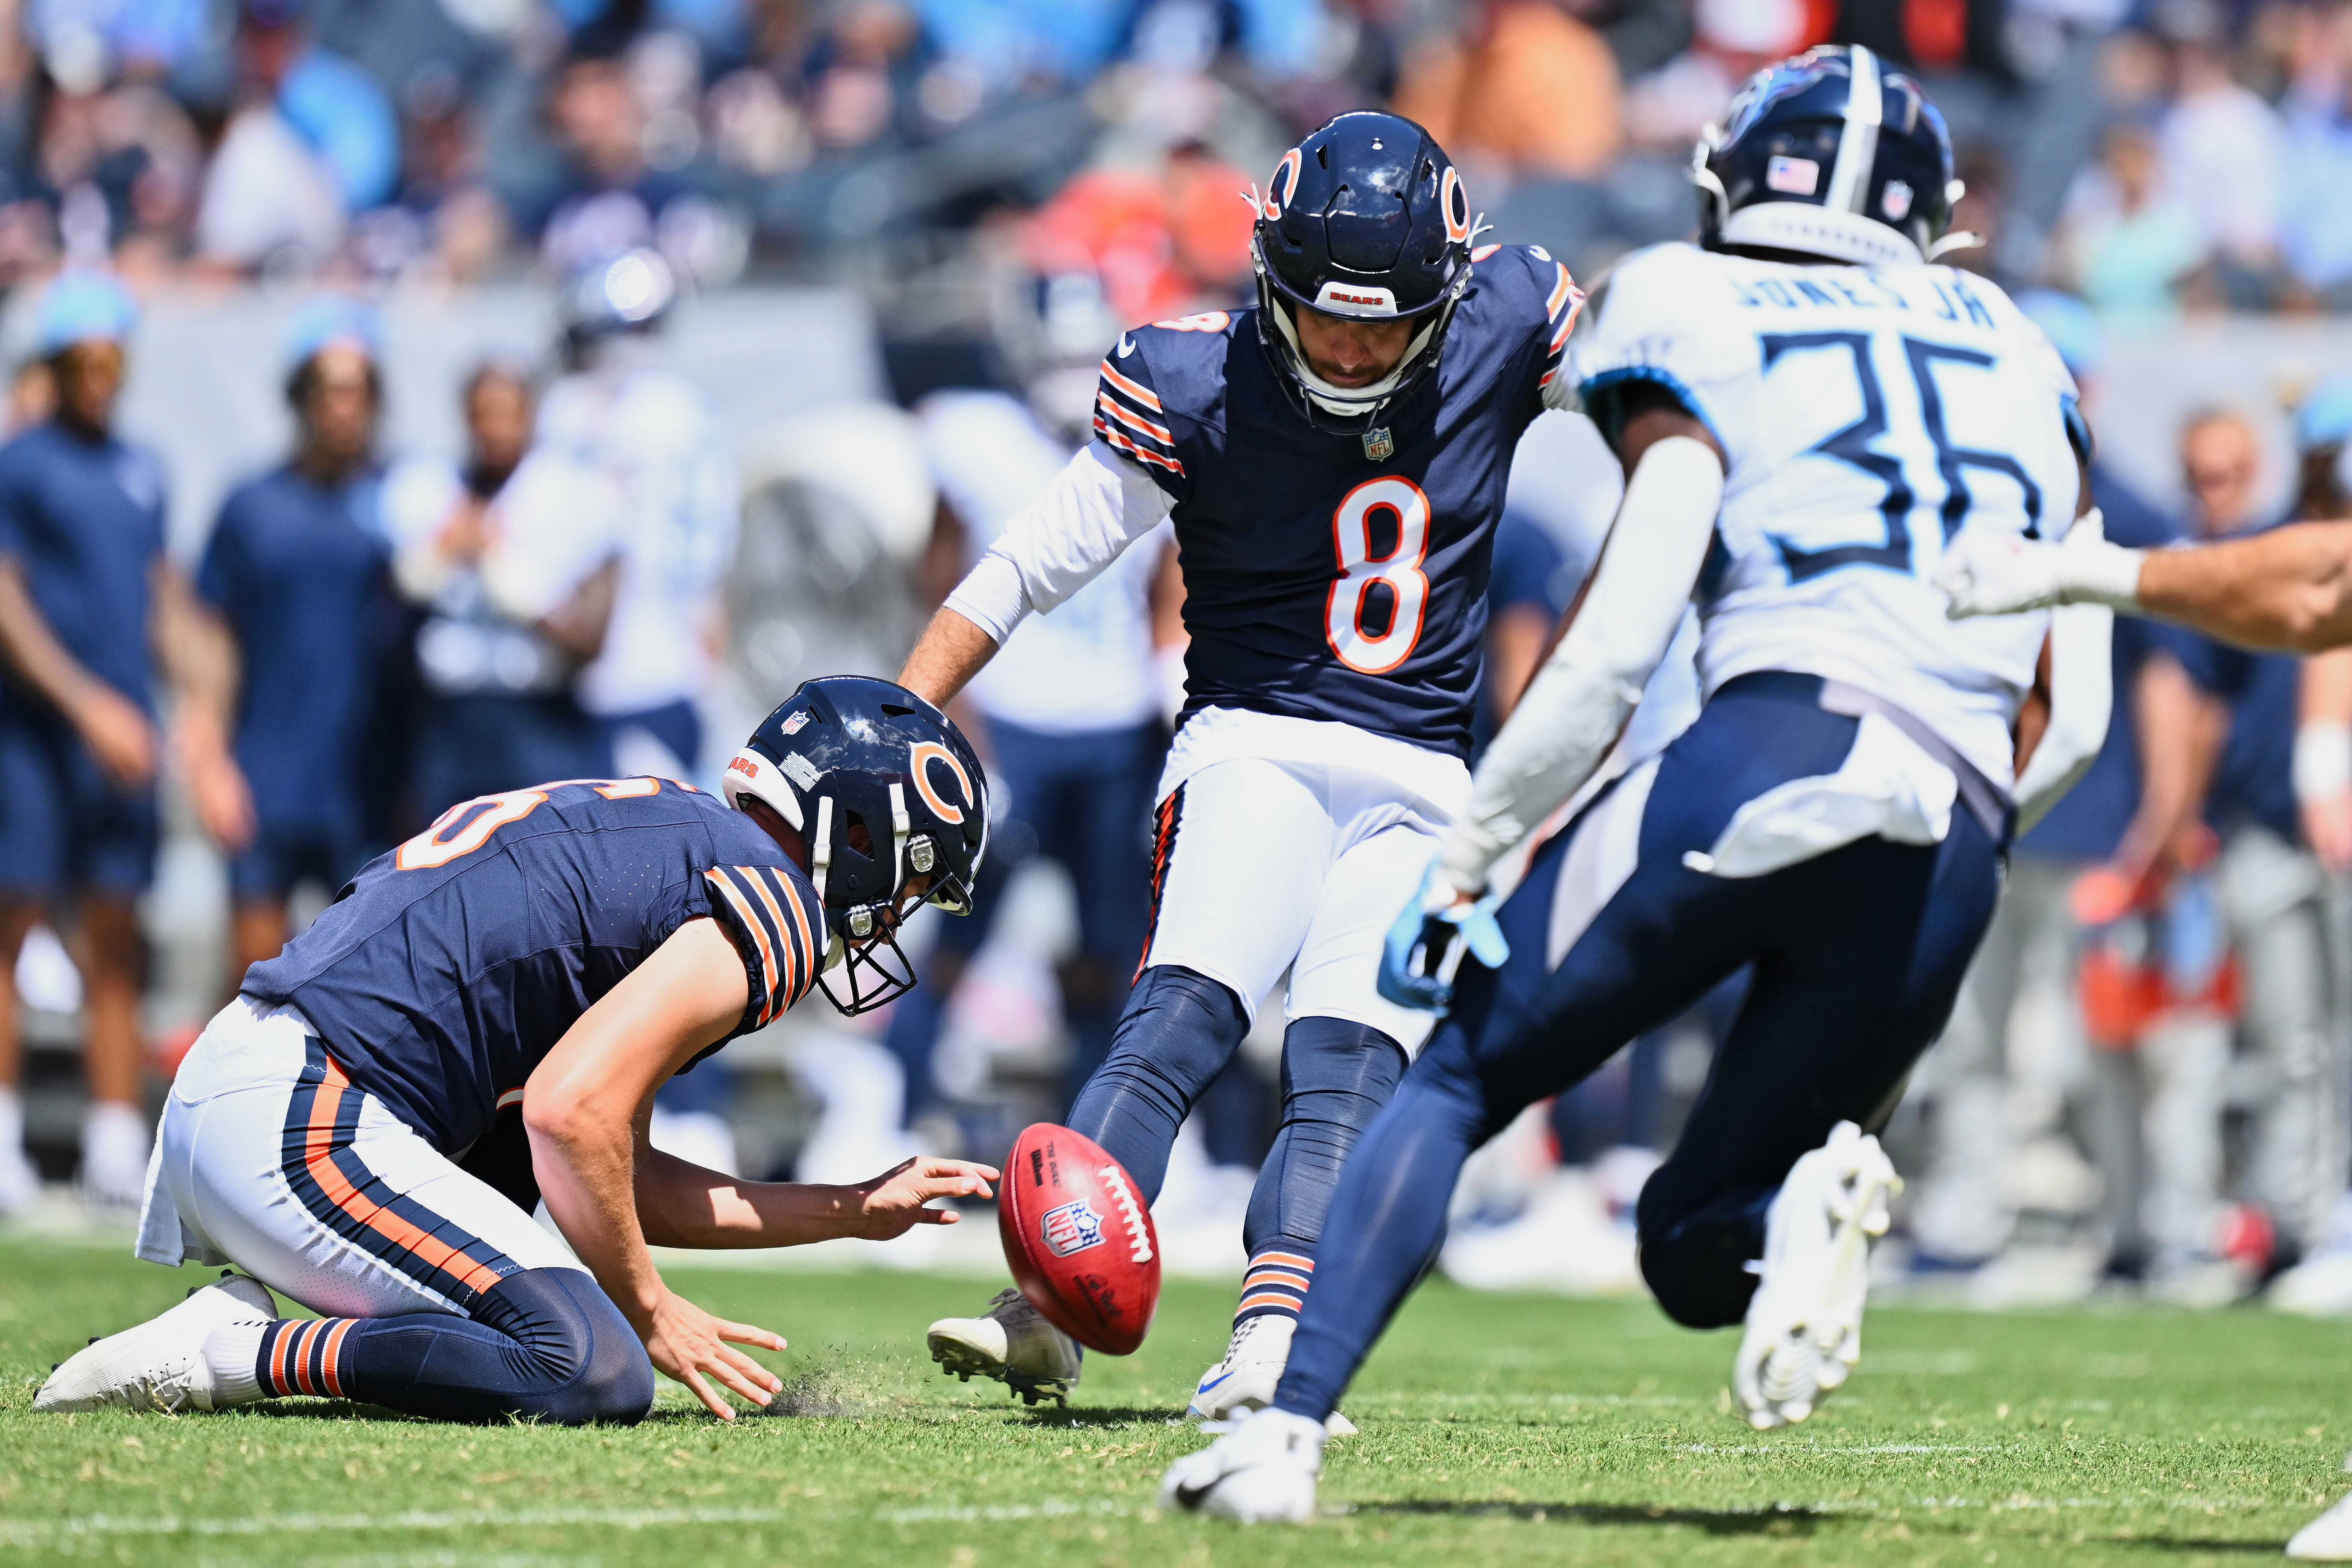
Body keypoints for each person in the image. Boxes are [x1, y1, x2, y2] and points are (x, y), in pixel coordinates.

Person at [1161, 46, 2107, 1521]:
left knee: (1458, 1065)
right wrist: (1955, 851)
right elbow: (2080, 714)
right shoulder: (2024, 344)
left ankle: (1277, 1435)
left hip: (1772, 738)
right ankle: (1797, 1207)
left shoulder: (1688, 291)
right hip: (1961, 812)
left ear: (1741, 175)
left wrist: (1482, 831)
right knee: (1689, 1241)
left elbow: (1626, 621)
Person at [903, 110, 1589, 1414]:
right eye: (1327, 316)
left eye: (1383, 322)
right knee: (1177, 1020)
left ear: (1443, 292)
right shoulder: (1198, 375)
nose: (1349, 345)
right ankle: (1049, 1305)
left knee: (1347, 1071)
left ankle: (1272, 1342)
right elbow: (1038, 558)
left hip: (1429, 779)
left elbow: (1654, 400)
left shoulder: (1507, 318)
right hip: (1254, 741)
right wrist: (907, 700)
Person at [34, 677, 1001, 1427]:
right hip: (307, 1116)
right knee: (591, 1362)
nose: (896, 914)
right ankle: (238, 1350)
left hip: (271, 1085)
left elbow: (613, 1164)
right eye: (911, 880)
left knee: (551, 1272)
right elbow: (570, 1117)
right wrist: (654, 1311)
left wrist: (850, 1208)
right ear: (860, 832)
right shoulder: (773, 901)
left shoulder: (678, 833)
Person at [883, 388, 1174, 1134]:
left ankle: (1094, 1136)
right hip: (1009, 723)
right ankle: (895, 1117)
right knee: (954, 935)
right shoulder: (976, 435)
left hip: (1116, 729)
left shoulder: (1163, 434)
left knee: (1110, 953)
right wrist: (959, 724)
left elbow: (1168, 595)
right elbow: (939, 582)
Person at [0, 272, 227, 1212]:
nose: (102, 377)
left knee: (116, 929)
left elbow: (159, 596)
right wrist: (89, 705)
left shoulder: (142, 468)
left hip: (125, 740)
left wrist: (201, 704)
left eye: (114, 360)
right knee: (12, 927)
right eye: (85, 361)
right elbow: (8, 602)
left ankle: (111, 1134)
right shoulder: (22, 464)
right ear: (55, 365)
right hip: (34, 738)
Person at [181, 298, 402, 983]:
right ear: (302, 395)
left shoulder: (404, 500)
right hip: (269, 774)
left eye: (361, 387)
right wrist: (209, 757)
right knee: (252, 983)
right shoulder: (252, 504)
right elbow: (212, 634)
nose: (348, 405)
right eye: (333, 387)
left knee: (368, 981)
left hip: (368, 786)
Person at [384, 362, 622, 818]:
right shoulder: (430, 491)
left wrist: (509, 579)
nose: (494, 428)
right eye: (483, 413)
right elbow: (391, 603)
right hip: (449, 722)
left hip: (536, 718)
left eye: (507, 413)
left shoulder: (571, 494)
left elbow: (592, 638)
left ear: (531, 415)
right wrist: (433, 557)